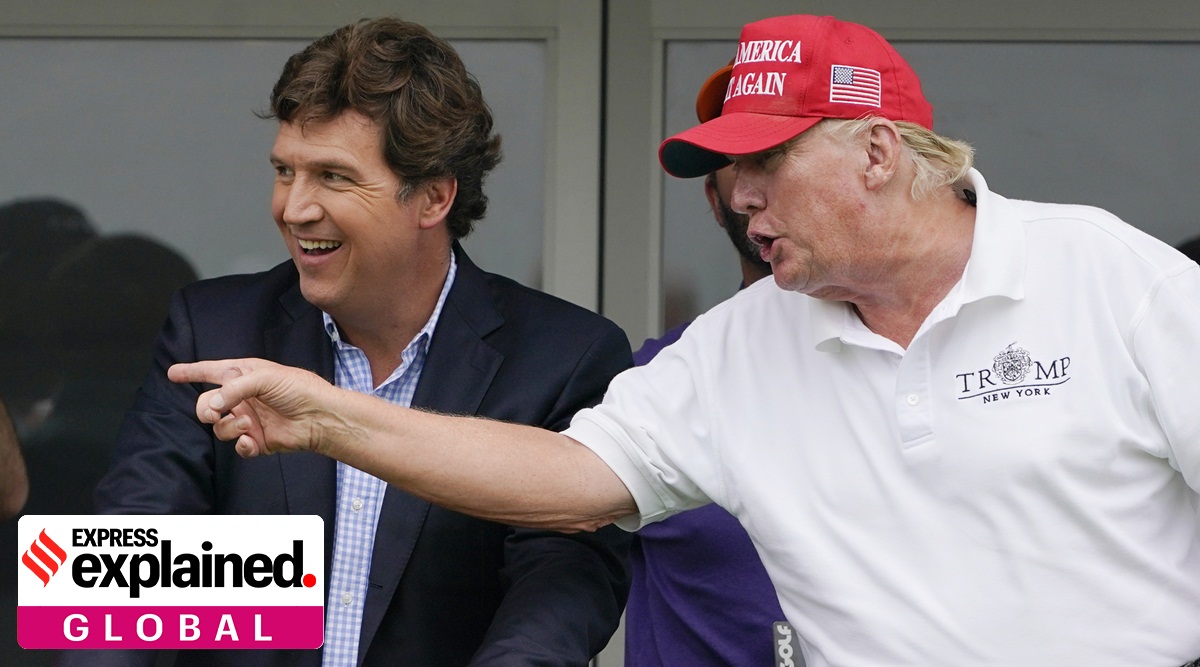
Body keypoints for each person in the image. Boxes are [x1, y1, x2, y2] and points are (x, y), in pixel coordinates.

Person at [168, 14, 1200, 667]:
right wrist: (330, 419)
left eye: (766, 161)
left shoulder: (1113, 278)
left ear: (878, 152)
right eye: (725, 169)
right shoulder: (737, 344)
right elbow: (571, 480)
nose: (736, 196)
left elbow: (554, 588)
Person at [85, 17, 633, 667]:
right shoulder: (213, 329)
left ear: (433, 197)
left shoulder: (563, 359)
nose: (294, 208)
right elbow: (121, 591)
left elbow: (552, 607)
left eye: (334, 177)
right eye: (285, 170)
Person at [623, 62, 787, 667]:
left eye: (775, 155)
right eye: (736, 163)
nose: (753, 187)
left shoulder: (939, 360)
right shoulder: (657, 381)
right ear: (717, 201)